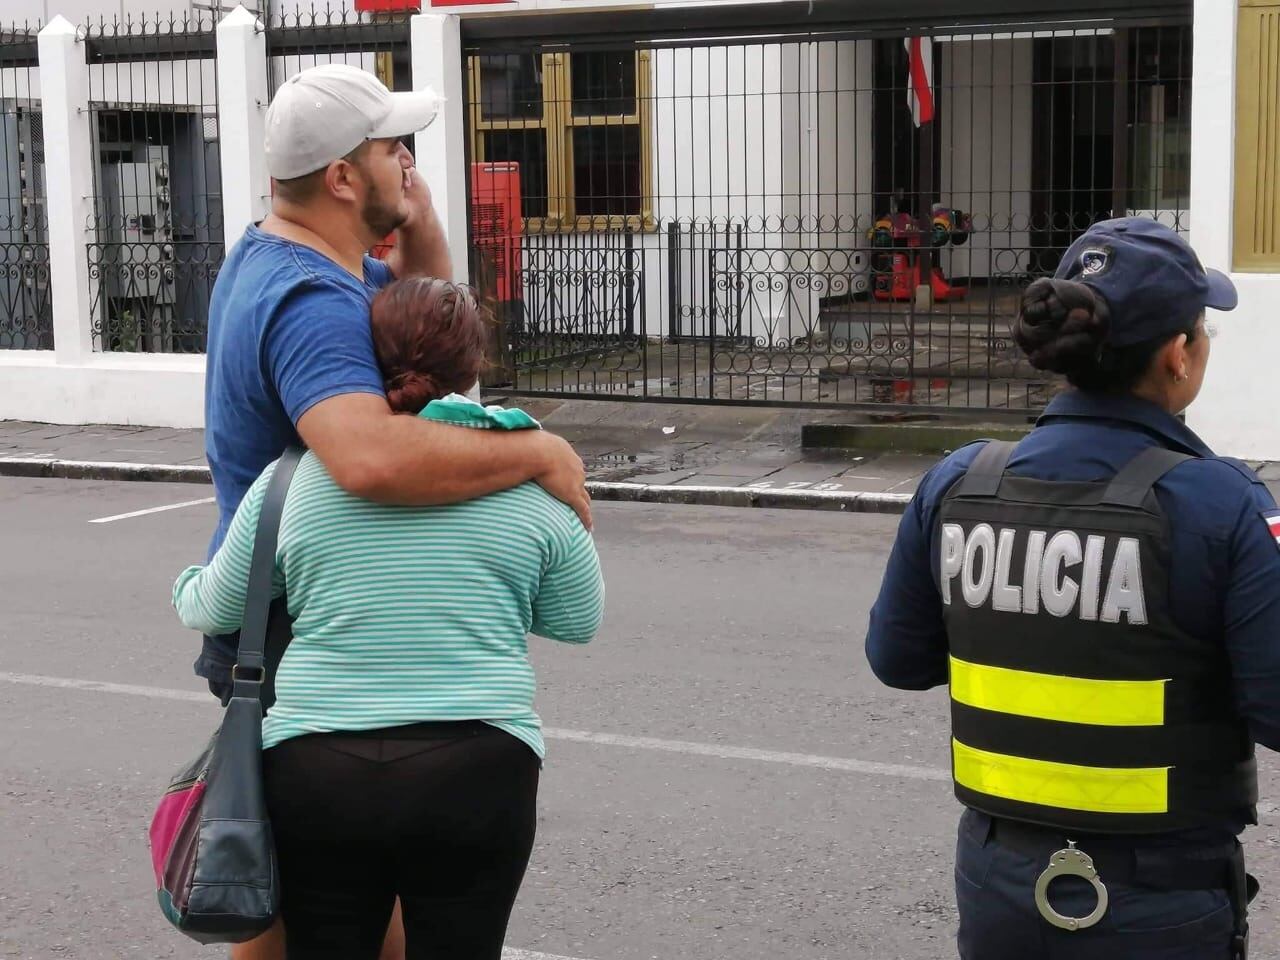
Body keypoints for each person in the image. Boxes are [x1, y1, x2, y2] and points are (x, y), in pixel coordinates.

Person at [199, 64, 590, 960]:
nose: (408, 157)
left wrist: (415, 213)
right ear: (342, 176)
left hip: (295, 619)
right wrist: (537, 453)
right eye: (390, 148)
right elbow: (370, 458)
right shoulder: (311, 303)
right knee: (291, 918)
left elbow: (429, 326)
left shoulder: (298, 259)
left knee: (342, 909)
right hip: (304, 637)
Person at [865, 217, 1280, 960]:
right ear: (1178, 355)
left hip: (1000, 887)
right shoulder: (1223, 504)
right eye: (1203, 330)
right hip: (1159, 903)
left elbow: (898, 661)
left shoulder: (958, 482)